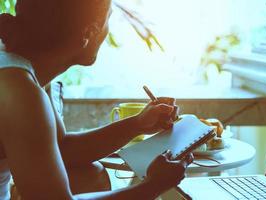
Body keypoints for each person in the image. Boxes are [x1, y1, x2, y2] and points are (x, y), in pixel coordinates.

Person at [0, 0, 193, 199]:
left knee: (90, 173)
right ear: (88, 33)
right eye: (109, 19)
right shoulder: (20, 93)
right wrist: (153, 186)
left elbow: (63, 149)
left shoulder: (21, 67)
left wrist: (137, 124)